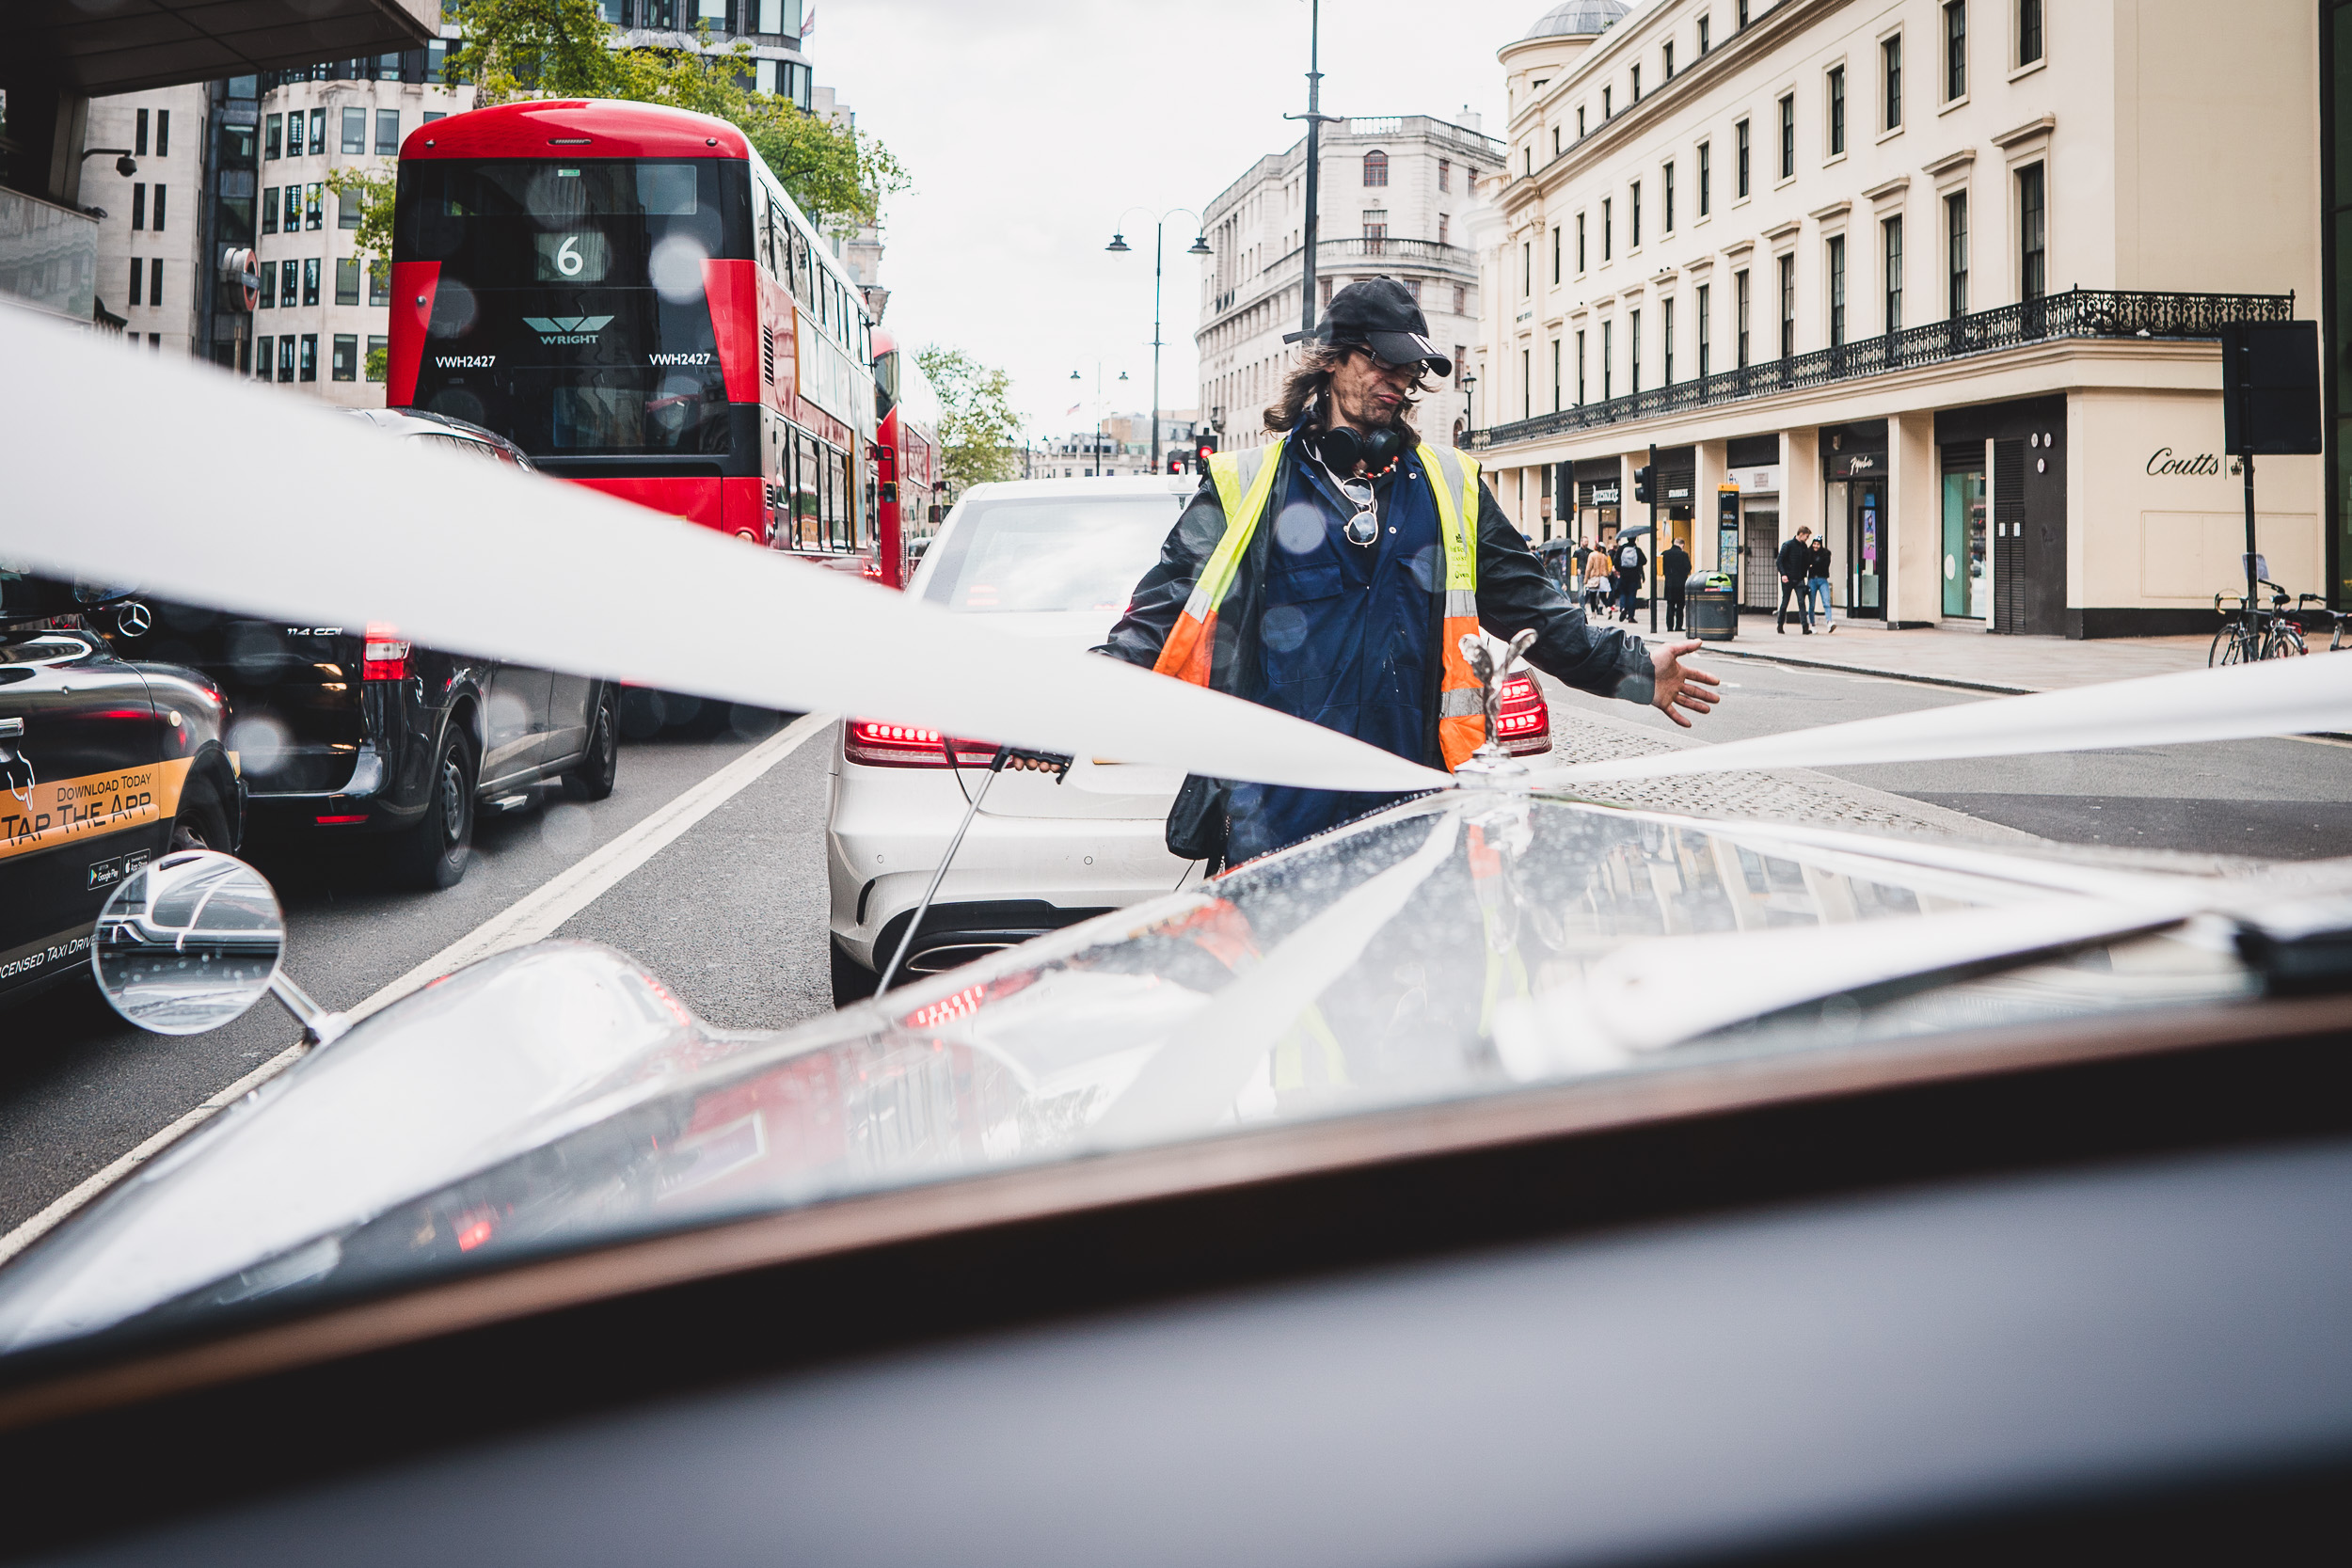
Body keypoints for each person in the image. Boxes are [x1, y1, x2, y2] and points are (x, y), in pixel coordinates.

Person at [1097, 277, 1720, 867]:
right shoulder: (1246, 485)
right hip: (1275, 825)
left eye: (1410, 368)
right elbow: (1157, 616)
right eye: (1381, 361)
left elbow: (1540, 612)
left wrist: (1633, 667)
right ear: (1332, 359)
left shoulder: (1453, 489)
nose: (1398, 380)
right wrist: (1058, 712)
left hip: (1412, 818)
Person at [1776, 526, 1816, 634]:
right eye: (1806, 536)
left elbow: (1806, 562)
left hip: (1799, 578)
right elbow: (1779, 561)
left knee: (1801, 602)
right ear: (1801, 534)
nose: (1807, 539)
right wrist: (1783, 574)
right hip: (1788, 578)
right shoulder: (1788, 545)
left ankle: (1805, 627)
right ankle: (1780, 625)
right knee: (1785, 602)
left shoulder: (1804, 547)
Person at [1661, 534, 1692, 632]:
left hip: (1669, 584)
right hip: (1681, 584)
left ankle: (1669, 626)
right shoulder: (1684, 555)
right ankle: (1678, 626)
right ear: (1682, 545)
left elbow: (1664, 569)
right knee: (1680, 606)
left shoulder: (1666, 554)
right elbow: (1688, 568)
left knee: (1670, 605)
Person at [1613, 532, 1646, 622]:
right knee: (1632, 595)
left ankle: (1623, 608)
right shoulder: (1637, 550)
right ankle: (1631, 616)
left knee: (1623, 593)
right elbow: (1644, 560)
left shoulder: (1622, 548)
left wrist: (1620, 569)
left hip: (1623, 574)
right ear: (1635, 539)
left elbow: (1615, 561)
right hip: (1634, 575)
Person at [1807, 533, 1836, 633]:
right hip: (1812, 580)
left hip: (1823, 579)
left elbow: (1825, 565)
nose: (1816, 546)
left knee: (1826, 601)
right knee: (1811, 604)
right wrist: (1814, 565)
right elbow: (1809, 564)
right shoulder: (1809, 552)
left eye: (1818, 544)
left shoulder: (1826, 553)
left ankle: (1829, 622)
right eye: (1814, 544)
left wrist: (1812, 565)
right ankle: (1812, 624)